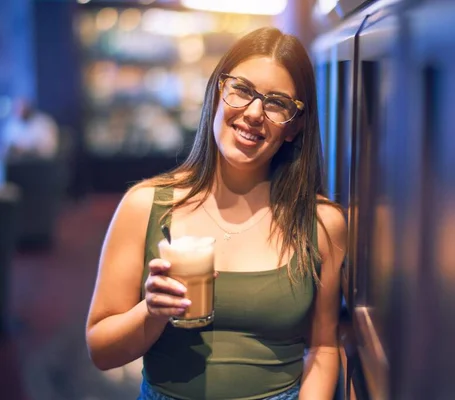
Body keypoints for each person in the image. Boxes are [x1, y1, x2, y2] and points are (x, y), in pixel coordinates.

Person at [85, 27, 347, 400]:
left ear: (295, 127)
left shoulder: (322, 224)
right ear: (217, 94)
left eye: (277, 103)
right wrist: (152, 312)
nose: (255, 113)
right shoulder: (145, 206)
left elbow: (323, 347)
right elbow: (100, 350)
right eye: (242, 89)